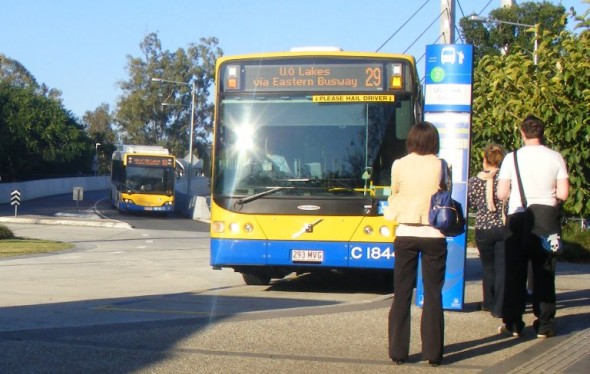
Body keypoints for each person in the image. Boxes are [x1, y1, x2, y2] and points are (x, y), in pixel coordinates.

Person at [497, 115, 569, 338]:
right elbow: (564, 194)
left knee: (515, 272)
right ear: (542, 132)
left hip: (519, 218)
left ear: (522, 133)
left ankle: (514, 323)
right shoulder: (556, 157)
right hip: (547, 218)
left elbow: (501, 193)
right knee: (545, 271)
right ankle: (545, 323)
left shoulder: (512, 158)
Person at [384, 121, 447, 367]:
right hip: (434, 233)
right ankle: (433, 353)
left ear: (411, 140)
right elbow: (444, 191)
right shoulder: (440, 165)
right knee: (433, 294)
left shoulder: (399, 164)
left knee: (401, 294)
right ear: (433, 141)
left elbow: (395, 191)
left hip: (406, 232)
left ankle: (398, 352)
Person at [467, 143, 507, 318]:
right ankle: (500, 306)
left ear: (484, 159)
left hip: (483, 228)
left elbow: (471, 203)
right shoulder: (506, 179)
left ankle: (488, 302)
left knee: (488, 267)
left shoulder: (475, 181)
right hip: (503, 227)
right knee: (502, 267)